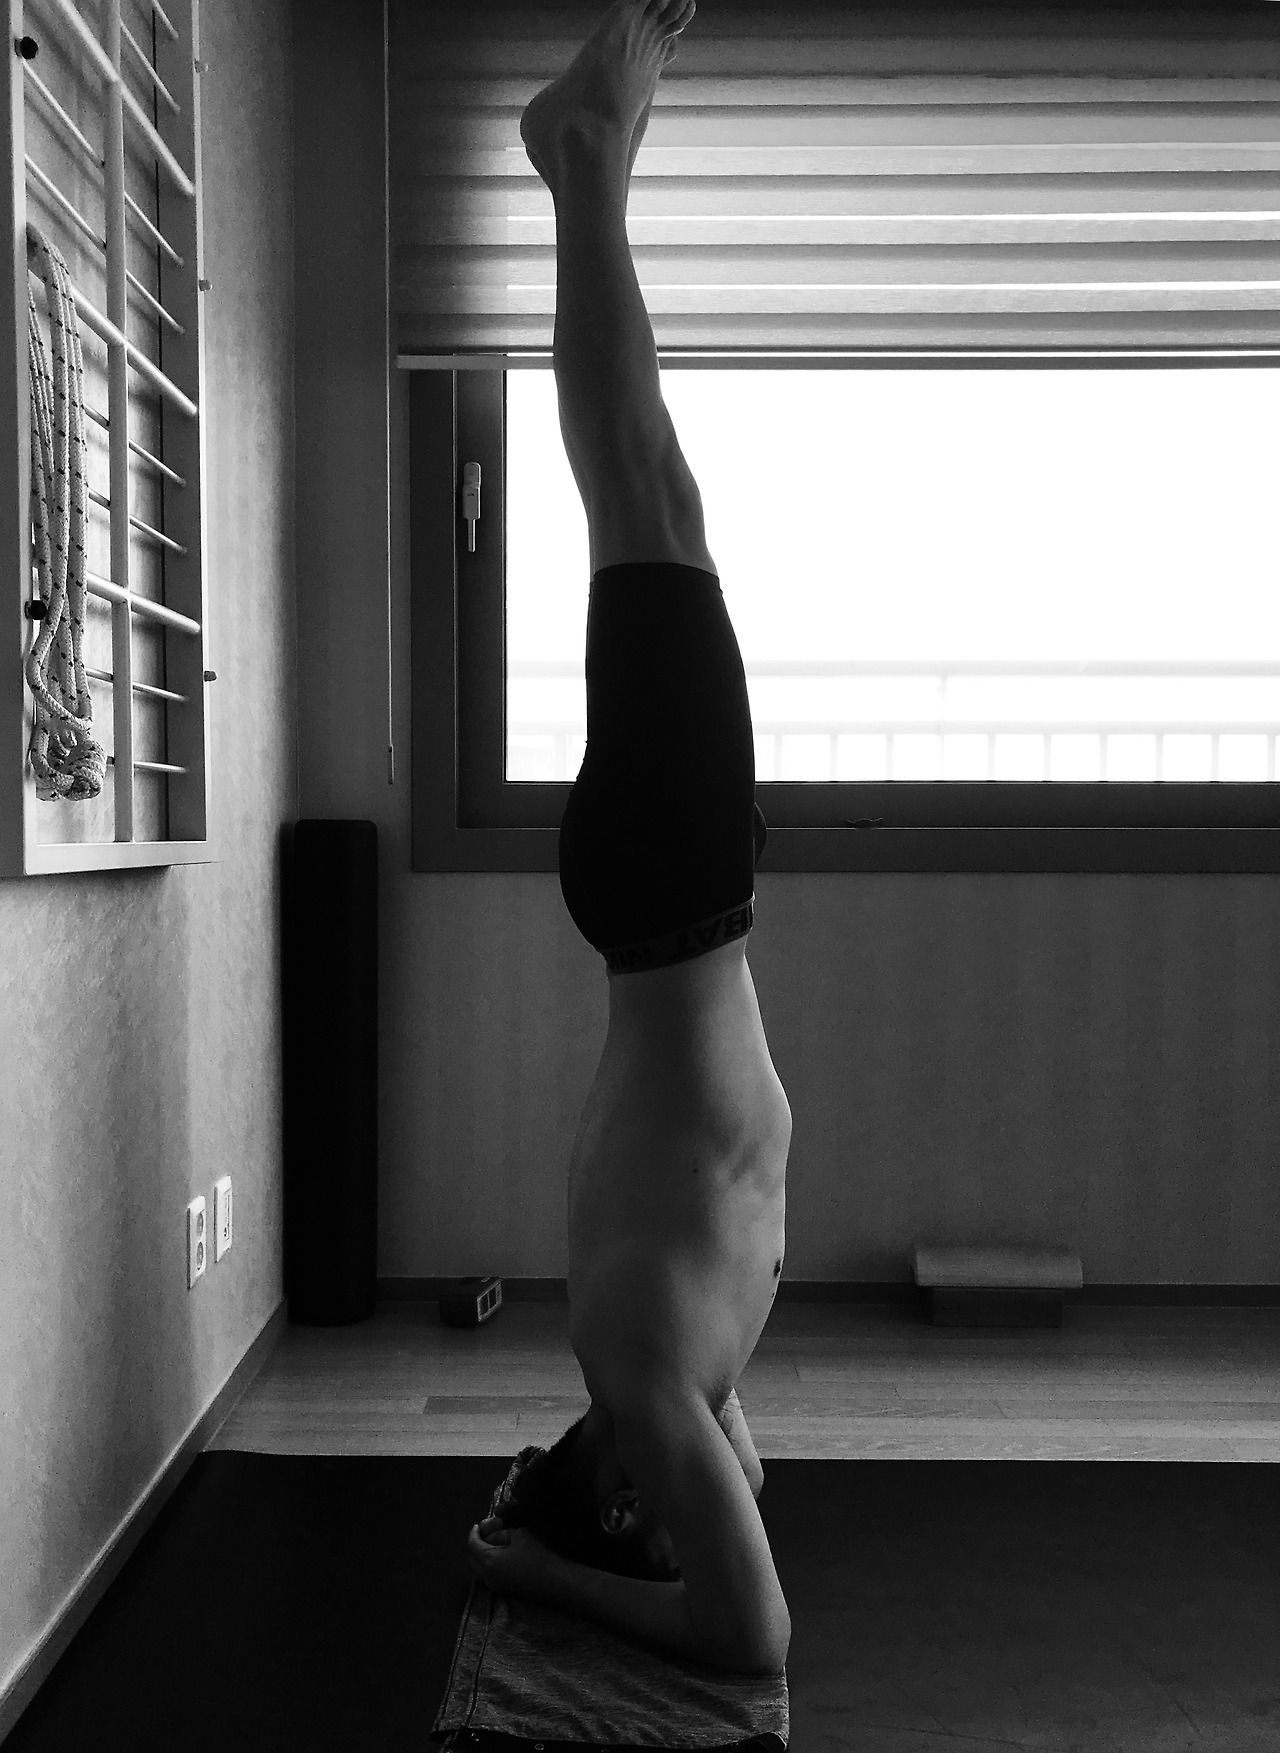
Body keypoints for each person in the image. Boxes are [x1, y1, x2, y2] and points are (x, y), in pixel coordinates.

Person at [466, 0, 792, 1679]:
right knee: (656, 504)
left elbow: (753, 1639)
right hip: (679, 895)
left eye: (655, 1518)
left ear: (624, 1490)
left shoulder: (649, 1367)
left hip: (677, 890)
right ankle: (595, 164)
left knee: (646, 499)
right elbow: (733, 1505)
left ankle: (584, 157)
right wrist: (579, 1526)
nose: (711, 1501)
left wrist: (544, 1573)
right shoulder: (680, 1388)